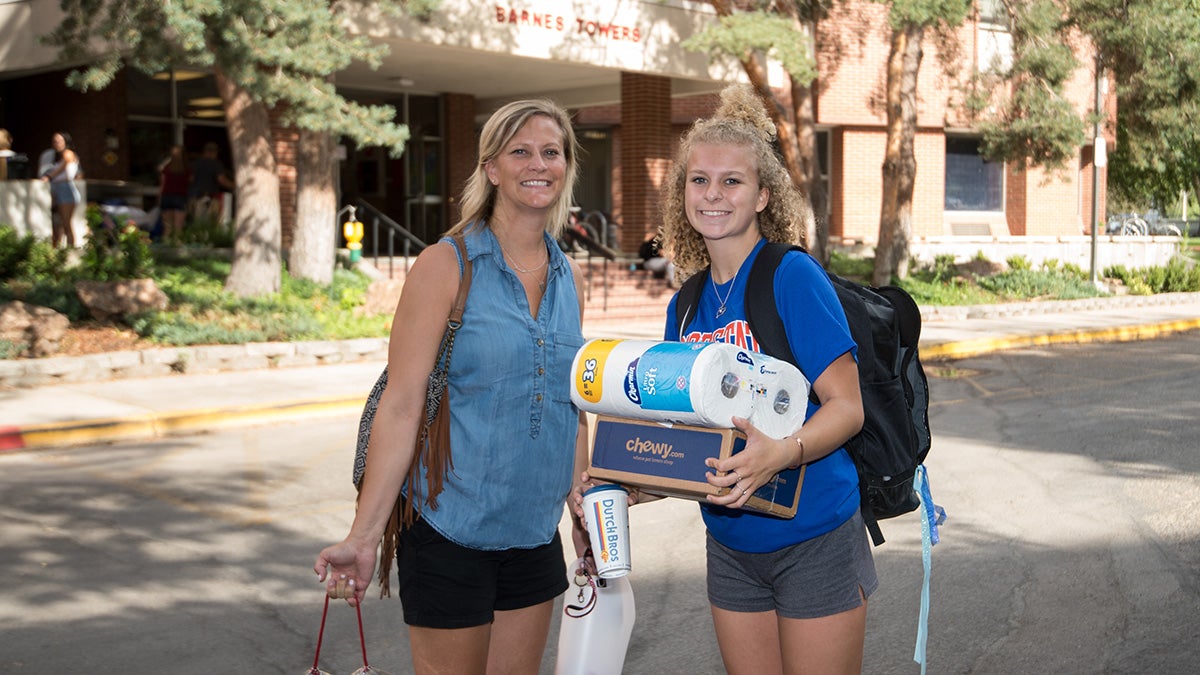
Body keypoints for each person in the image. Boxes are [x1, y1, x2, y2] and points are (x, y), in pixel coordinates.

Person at [575, 84, 874, 675]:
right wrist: (637, 478)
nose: (713, 194)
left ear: (764, 194)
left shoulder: (792, 277)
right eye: (699, 180)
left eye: (731, 181)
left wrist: (780, 455)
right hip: (731, 547)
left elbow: (847, 407)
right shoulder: (685, 306)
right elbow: (692, 441)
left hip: (815, 534)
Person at [314, 99, 591, 675]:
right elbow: (402, 405)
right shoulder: (447, 265)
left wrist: (582, 508)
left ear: (566, 165)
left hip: (535, 536)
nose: (537, 164)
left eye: (551, 151)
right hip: (450, 529)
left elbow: (570, 403)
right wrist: (363, 537)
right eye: (520, 151)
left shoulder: (572, 278)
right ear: (491, 168)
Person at [40, 132, 82, 248]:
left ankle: (70, 249)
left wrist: (49, 176)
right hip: (57, 190)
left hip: (66, 190)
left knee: (66, 223)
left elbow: (63, 167)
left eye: (59, 140)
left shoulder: (68, 153)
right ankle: (57, 249)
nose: (56, 143)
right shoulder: (54, 156)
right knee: (57, 224)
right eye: (54, 141)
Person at [188, 141, 234, 222]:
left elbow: (190, 179)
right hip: (209, 199)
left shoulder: (194, 164)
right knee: (209, 223)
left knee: (196, 222)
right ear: (214, 152)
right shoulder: (216, 164)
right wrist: (235, 186)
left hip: (194, 197)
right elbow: (222, 180)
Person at [158, 145, 190, 243]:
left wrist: (159, 198)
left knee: (167, 228)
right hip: (180, 197)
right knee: (178, 228)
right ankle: (177, 249)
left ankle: (165, 247)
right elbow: (191, 181)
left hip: (166, 197)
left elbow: (162, 184)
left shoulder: (166, 168)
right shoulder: (186, 169)